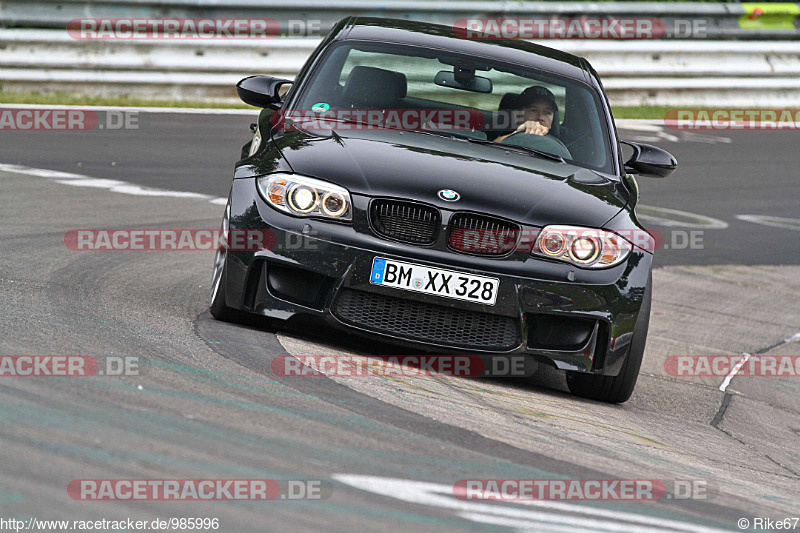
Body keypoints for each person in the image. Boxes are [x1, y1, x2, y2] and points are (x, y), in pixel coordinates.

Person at [494, 85, 560, 143]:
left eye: (547, 113)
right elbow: (493, 148)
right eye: (533, 111)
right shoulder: (506, 138)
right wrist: (518, 133)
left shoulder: (559, 147)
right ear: (517, 115)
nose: (540, 117)